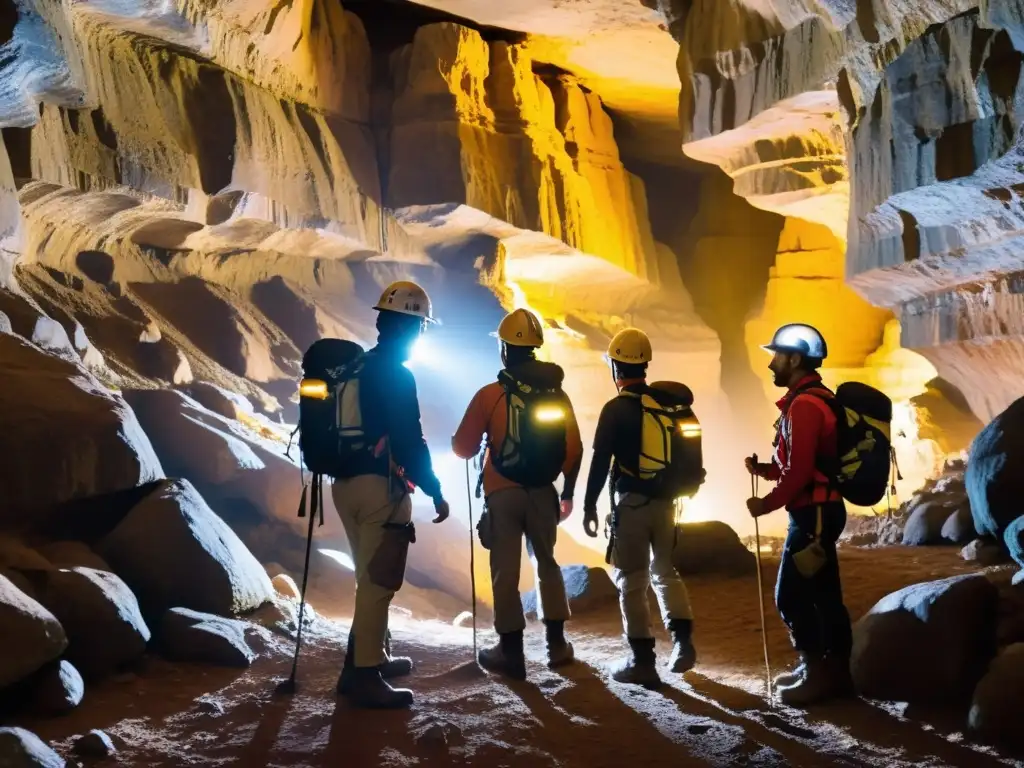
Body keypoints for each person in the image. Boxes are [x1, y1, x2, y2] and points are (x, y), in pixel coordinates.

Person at [332, 280, 450, 709]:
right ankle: (364, 677)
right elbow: (409, 439)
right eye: (420, 326)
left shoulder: (355, 367)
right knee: (379, 582)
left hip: (344, 485)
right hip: (379, 487)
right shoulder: (397, 374)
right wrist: (435, 489)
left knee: (368, 579)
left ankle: (367, 659)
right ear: (413, 328)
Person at [452, 308, 583, 679]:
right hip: (543, 492)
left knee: (504, 571)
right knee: (547, 563)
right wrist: (567, 491)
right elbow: (573, 449)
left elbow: (462, 448)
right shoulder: (558, 395)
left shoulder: (490, 395)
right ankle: (557, 645)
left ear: (505, 349)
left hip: (501, 494)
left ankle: (511, 652)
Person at [744, 322, 854, 707]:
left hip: (815, 515)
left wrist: (767, 503)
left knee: (791, 596)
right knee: (824, 595)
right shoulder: (808, 400)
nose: (772, 363)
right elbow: (801, 464)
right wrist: (766, 471)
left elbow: (802, 472)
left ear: (794, 358)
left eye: (777, 356)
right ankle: (831, 671)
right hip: (819, 510)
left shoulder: (806, 405)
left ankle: (818, 672)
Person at [582, 328, 697, 689]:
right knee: (665, 570)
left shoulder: (616, 410)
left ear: (617, 368)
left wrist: (588, 505)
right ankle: (682, 642)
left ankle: (642, 660)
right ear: (645, 365)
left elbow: (601, 462)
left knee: (631, 580)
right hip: (667, 506)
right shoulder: (668, 405)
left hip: (631, 505)